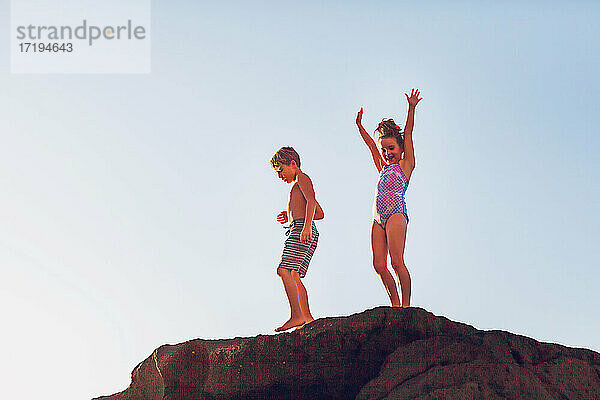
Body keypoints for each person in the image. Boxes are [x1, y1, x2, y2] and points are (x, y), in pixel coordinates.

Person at [355, 89, 422, 308]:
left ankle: (406, 306)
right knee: (379, 265)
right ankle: (394, 304)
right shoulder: (383, 167)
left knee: (396, 262)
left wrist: (411, 108)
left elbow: (409, 133)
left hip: (395, 214)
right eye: (385, 149)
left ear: (401, 149)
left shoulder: (405, 165)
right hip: (378, 218)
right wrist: (360, 127)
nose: (387, 153)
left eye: (391, 148)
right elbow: (371, 146)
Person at [270, 147, 324, 331]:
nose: (279, 176)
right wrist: (291, 215)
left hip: (302, 229)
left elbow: (311, 200)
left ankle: (297, 315)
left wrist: (306, 224)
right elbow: (320, 212)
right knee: (293, 274)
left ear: (293, 164)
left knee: (284, 269)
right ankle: (307, 318)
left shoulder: (302, 178)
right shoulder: (297, 185)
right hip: (300, 226)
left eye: (281, 170)